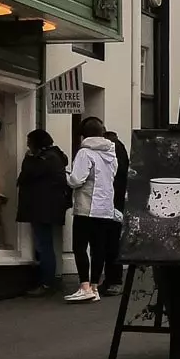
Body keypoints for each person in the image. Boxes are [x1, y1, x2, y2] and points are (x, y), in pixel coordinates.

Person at [65, 117, 122, 302]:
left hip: (87, 207)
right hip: (105, 207)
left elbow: (76, 180)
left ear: (83, 134)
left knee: (80, 247)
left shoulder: (85, 152)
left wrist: (66, 176)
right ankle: (95, 287)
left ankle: (84, 286)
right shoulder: (111, 153)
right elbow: (112, 175)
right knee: (99, 248)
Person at [16, 128, 71, 294]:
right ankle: (50, 280)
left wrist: (28, 158)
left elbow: (26, 174)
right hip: (50, 208)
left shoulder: (42, 159)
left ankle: (46, 283)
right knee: (47, 244)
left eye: (29, 141)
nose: (27, 145)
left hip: (41, 208)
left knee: (44, 245)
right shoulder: (55, 157)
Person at [98, 126, 130, 295]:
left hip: (112, 202)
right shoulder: (119, 148)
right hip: (116, 202)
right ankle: (111, 279)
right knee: (111, 243)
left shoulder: (113, 149)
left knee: (110, 243)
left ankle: (114, 280)